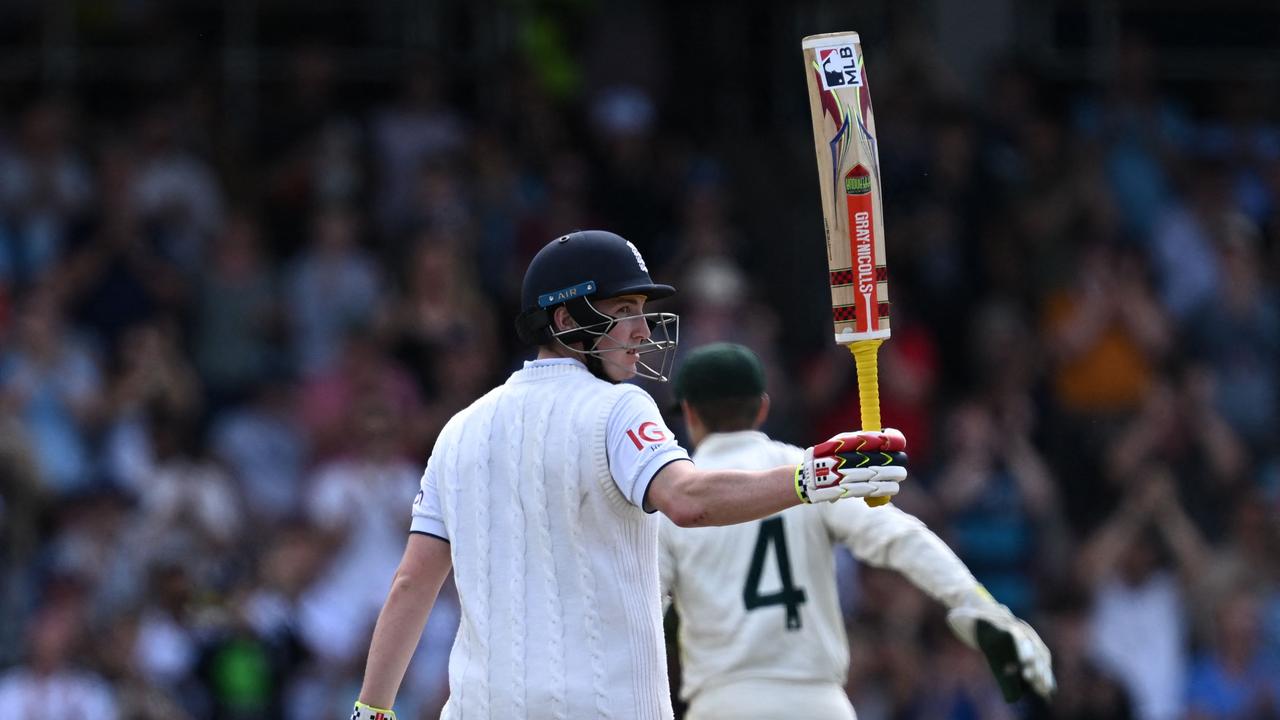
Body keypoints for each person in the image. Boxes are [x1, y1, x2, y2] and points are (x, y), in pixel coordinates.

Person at [351, 230, 906, 720]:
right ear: (566, 320)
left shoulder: (458, 431)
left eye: (643, 308)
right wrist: (814, 475)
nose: (642, 331)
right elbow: (687, 500)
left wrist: (371, 710)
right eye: (624, 309)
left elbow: (412, 583)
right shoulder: (619, 408)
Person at [658, 342, 1055, 720]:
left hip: (723, 704)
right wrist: (984, 608)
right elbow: (901, 538)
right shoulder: (810, 471)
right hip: (818, 704)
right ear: (762, 408)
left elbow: (641, 613)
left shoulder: (674, 503)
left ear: (689, 412)